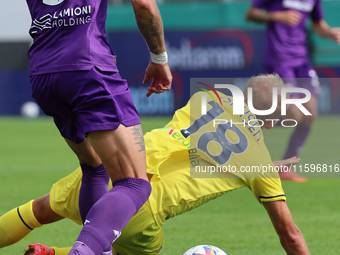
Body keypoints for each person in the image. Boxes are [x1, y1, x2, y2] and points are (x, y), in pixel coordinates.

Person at [0, 74, 310, 254]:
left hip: (118, 164)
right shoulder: (262, 166)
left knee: (39, 210)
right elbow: (290, 234)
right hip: (141, 205)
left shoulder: (209, 95)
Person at [24, 0, 172, 254]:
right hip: (87, 67)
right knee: (135, 183)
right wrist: (159, 57)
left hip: (43, 73)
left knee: (94, 169)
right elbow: (144, 5)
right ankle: (83, 251)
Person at [245, 0, 340, 182]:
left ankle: (285, 168)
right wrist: (275, 16)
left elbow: (318, 24)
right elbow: (250, 13)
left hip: (302, 61)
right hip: (279, 59)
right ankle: (243, 127)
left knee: (311, 114)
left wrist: (329, 33)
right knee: (294, 115)